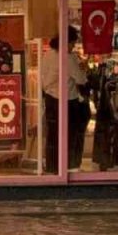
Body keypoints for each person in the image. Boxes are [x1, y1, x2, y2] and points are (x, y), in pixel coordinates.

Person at [40, 28, 90, 173]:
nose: (72, 47)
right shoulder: (67, 58)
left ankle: (52, 166)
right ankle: (69, 166)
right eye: (72, 43)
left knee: (53, 135)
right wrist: (83, 69)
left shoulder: (48, 54)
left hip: (50, 98)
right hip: (68, 100)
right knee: (70, 135)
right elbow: (80, 79)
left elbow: (43, 78)